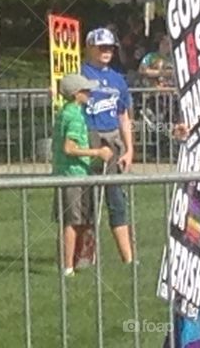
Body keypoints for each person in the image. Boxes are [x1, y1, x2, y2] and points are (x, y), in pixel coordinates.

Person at [80, 27, 135, 263]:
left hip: (112, 139)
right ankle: (83, 256)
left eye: (110, 48)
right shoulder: (80, 73)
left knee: (116, 200)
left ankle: (129, 259)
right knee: (86, 202)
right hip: (88, 137)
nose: (106, 52)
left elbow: (124, 115)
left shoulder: (118, 79)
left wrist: (130, 149)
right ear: (90, 47)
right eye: (101, 47)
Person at [52, 73, 114, 276]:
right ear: (76, 94)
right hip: (74, 174)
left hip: (64, 172)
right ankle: (68, 265)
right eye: (86, 91)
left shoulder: (64, 112)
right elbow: (69, 148)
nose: (89, 93)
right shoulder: (75, 116)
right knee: (73, 221)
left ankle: (74, 261)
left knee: (74, 220)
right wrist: (97, 152)